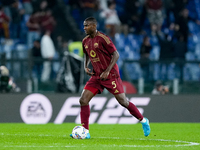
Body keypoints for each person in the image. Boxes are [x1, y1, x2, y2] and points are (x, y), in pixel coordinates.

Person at [70, 17, 150, 139]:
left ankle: (143, 120)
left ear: (94, 26)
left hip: (110, 75)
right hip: (97, 76)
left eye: (87, 25)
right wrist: (86, 66)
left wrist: (107, 71)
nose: (84, 28)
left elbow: (116, 54)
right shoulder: (85, 41)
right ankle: (85, 131)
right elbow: (86, 54)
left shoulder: (103, 38)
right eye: (84, 25)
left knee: (123, 102)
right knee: (83, 100)